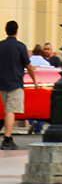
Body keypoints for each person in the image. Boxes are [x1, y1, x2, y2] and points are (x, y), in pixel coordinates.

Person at [1, 21, 39, 150]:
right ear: (16, 31)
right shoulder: (20, 46)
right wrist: (34, 81)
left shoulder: (1, 45)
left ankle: (8, 137)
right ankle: (7, 139)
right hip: (15, 83)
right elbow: (28, 66)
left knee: (8, 110)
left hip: (2, 83)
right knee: (11, 111)